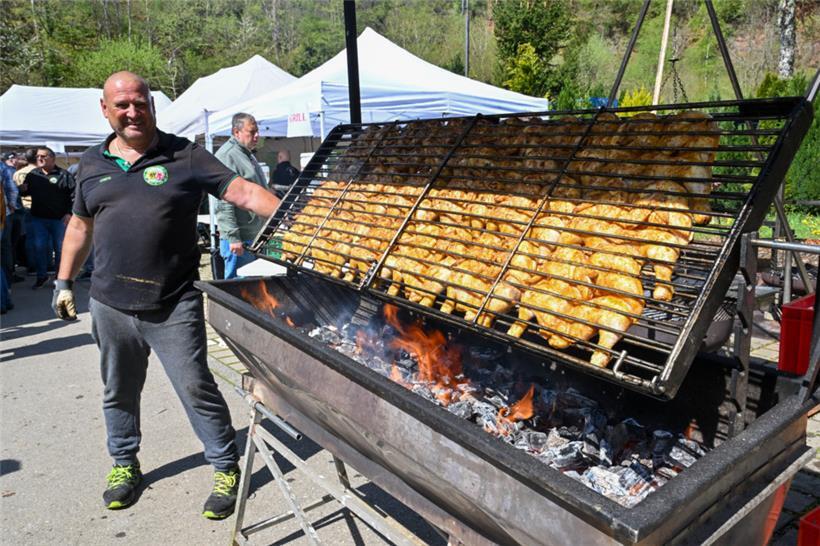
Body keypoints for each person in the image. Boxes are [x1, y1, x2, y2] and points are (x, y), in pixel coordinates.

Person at [51, 71, 280, 520]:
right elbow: (80, 226)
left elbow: (243, 192)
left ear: (152, 106)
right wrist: (63, 282)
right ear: (105, 109)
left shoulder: (184, 154)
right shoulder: (92, 163)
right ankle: (124, 463)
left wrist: (300, 218)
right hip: (110, 304)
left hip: (173, 303)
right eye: (122, 105)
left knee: (196, 387)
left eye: (140, 103)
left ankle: (225, 465)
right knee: (118, 390)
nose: (132, 112)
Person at [214, 113, 268, 279]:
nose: (257, 135)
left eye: (257, 131)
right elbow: (224, 202)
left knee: (255, 288)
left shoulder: (246, 154)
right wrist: (233, 238)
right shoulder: (228, 156)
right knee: (237, 288)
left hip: (254, 237)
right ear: (236, 132)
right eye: (252, 132)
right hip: (240, 240)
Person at [19, 147, 74, 288]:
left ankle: (60, 277)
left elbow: (74, 196)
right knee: (39, 248)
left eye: (43, 156)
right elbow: (25, 193)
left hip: (59, 219)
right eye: (38, 156)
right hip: (38, 218)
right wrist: (22, 190)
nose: (39, 159)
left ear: (53, 158)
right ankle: (41, 276)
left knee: (60, 249)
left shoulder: (64, 175)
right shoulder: (33, 174)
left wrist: (69, 213)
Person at [1, 154, 20, 282]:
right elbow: (11, 188)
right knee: (5, 247)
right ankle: (7, 278)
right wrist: (12, 204)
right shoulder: (3, 167)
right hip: (3, 213)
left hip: (4, 213)